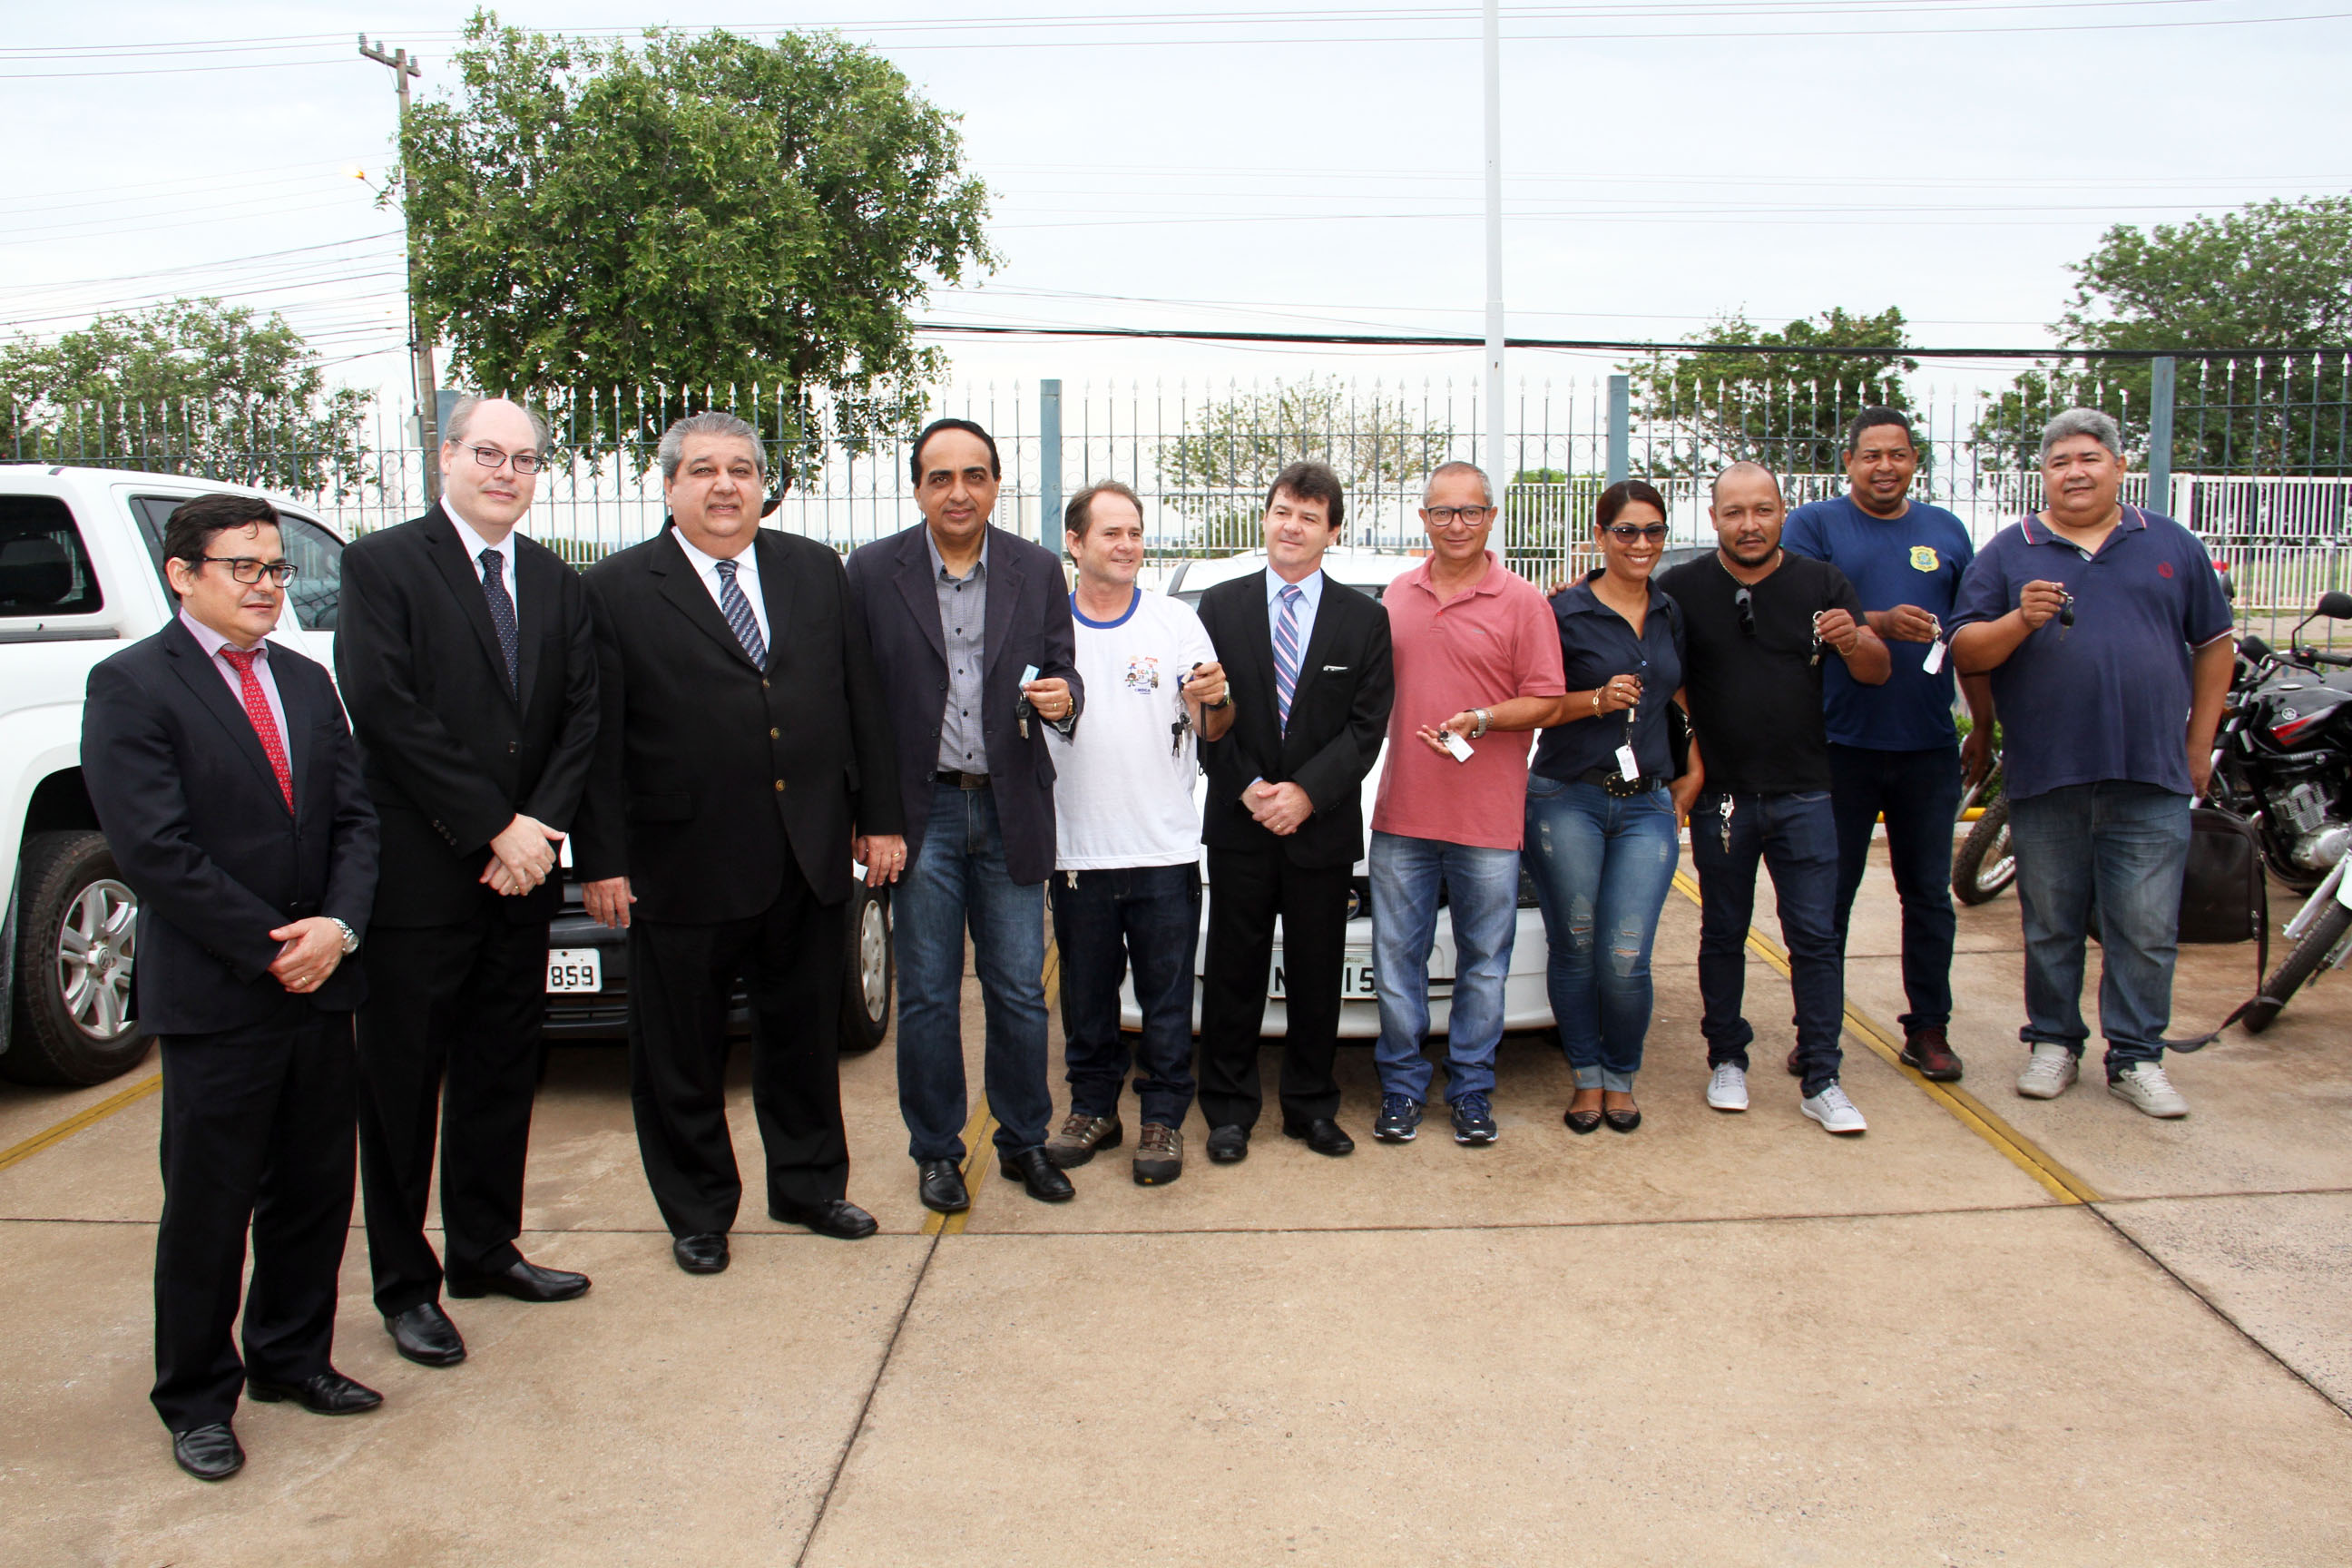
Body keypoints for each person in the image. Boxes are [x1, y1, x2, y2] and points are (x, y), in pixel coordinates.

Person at [81, 494, 382, 1482]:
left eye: (276, 569)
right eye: (243, 567)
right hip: (220, 992)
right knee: (210, 1208)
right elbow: (153, 849)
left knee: (313, 1191)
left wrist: (336, 929)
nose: (265, 586)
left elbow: (354, 820)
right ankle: (197, 1399)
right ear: (183, 574)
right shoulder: (132, 685)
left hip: (321, 980)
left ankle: (293, 1359)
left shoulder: (305, 679)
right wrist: (271, 947)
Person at [574, 413, 904, 1274]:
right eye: (703, 470)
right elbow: (596, 738)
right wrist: (602, 859)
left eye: (742, 470)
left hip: (806, 853)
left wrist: (879, 816)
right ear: (669, 485)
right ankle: (698, 1212)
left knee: (803, 1039)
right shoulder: (614, 589)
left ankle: (809, 1187)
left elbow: (859, 696)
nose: (725, 485)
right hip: (681, 863)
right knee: (680, 1054)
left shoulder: (814, 569)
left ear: (763, 485)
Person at [335, 396, 599, 1371]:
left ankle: (487, 1250)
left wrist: (539, 831)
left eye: (524, 459)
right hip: (421, 878)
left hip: (520, 878)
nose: (505, 472)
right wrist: (495, 825)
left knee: (501, 1068)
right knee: (402, 1090)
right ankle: (406, 1287)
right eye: (488, 453)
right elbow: (385, 707)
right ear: (446, 458)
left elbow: (581, 717)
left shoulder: (557, 581)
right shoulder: (383, 565)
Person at [1948, 407, 2233, 1119]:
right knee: (2051, 921)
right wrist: (2020, 618)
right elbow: (1966, 652)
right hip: (2048, 772)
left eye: (2089, 458)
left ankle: (2137, 1057)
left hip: (2151, 772)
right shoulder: (2010, 552)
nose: (2074, 473)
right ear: (2043, 475)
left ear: (2118, 466)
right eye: (2059, 462)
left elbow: (2215, 645)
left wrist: (2198, 745)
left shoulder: (2170, 544)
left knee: (2145, 926)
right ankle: (2053, 1042)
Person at [846, 418, 1084, 1211]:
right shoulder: (872, 571)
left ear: (995, 484)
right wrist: (870, 816)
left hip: (1012, 806)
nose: (959, 492)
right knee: (927, 995)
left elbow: (1065, 669)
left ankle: (1023, 1142)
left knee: (1017, 988)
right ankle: (938, 1151)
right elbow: (855, 702)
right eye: (941, 477)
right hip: (923, 816)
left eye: (974, 475)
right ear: (917, 487)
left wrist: (1064, 697)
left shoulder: (1036, 568)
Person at [1661, 462, 1891, 1134]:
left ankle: (1823, 1077)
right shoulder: (1681, 589)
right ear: (1714, 519)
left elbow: (1876, 670)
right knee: (1723, 931)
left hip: (1806, 794)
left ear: (1783, 512)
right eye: (1734, 512)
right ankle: (1726, 1059)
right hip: (1722, 798)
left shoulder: (1822, 583)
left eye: (1762, 510)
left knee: (1816, 938)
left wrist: (1854, 640)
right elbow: (1665, 676)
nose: (1749, 525)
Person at [1784, 407, 1993, 1083]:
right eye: (1870, 455)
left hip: (1926, 746)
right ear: (1848, 462)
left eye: (1897, 455)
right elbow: (1795, 612)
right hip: (1836, 744)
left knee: (1928, 896)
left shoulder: (1946, 531)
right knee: (1828, 900)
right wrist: (1878, 621)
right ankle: (1817, 1032)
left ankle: (1928, 1028)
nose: (1884, 467)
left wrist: (1982, 724)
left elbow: (1968, 636)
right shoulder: (1815, 526)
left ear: (1914, 461)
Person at [1193, 460, 1394, 1162]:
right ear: (1265, 517)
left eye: (1310, 517)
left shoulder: (1365, 620)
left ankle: (1311, 1106)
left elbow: (1366, 728)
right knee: (1233, 971)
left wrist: (1305, 794)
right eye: (1283, 511)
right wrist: (1249, 788)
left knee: (1316, 973)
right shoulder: (1219, 608)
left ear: (1332, 531)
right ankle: (1227, 1110)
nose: (1292, 526)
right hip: (1240, 822)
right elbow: (1203, 712)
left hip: (1321, 827)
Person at [1367, 462, 1565, 1146]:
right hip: (1402, 815)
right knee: (1398, 961)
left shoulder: (1523, 602)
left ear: (1491, 517)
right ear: (1424, 518)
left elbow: (1547, 701)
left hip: (1487, 820)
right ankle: (1401, 1089)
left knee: (1484, 963)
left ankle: (1472, 1090)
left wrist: (1482, 718)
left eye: (1471, 511)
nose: (1457, 524)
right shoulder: (1397, 596)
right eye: (1443, 512)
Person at [1041, 481, 1232, 1185]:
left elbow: (1215, 726)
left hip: (1163, 849)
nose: (1127, 546)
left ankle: (1162, 1118)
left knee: (1167, 1002)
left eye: (1135, 532)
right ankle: (1093, 1109)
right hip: (1077, 852)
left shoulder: (1174, 622)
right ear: (1075, 542)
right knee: (1087, 1002)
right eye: (1110, 533)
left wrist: (1215, 699)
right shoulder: (1046, 628)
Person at [1524, 480, 1686, 1135]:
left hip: (1647, 804)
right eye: (1626, 531)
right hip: (1568, 797)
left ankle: (1622, 1076)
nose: (1640, 543)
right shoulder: (1562, 613)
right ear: (1600, 537)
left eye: (1653, 531)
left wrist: (1692, 776)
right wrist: (1595, 700)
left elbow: (1681, 699)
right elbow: (1534, 705)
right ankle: (1586, 1078)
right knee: (1577, 944)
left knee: (1625, 956)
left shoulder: (1671, 611)